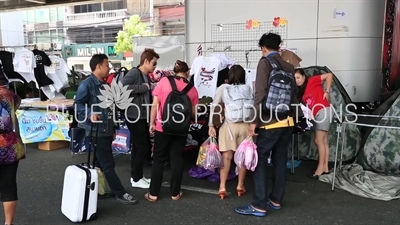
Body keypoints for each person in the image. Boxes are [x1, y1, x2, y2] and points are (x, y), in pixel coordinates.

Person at [235, 32, 300, 217]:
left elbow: (260, 94)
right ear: (279, 47)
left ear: (263, 48)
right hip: (287, 122)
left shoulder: (265, 63)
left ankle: (259, 205)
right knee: (280, 161)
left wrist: (253, 121)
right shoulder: (289, 65)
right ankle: (276, 200)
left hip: (268, 123)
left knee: (260, 161)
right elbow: (295, 95)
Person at [74, 54, 137, 205]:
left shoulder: (105, 84)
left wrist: (113, 128)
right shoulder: (87, 84)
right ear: (98, 66)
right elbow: (78, 105)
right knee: (107, 163)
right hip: (97, 131)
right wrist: (90, 114)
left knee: (98, 163)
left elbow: (110, 108)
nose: (109, 67)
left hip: (106, 129)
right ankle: (120, 193)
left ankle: (97, 190)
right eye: (107, 65)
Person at [145, 60, 199, 202]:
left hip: (162, 127)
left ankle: (153, 194)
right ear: (187, 72)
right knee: (177, 158)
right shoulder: (192, 89)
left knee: (158, 159)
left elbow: (155, 105)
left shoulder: (163, 82)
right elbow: (194, 114)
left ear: (174, 71)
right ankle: (175, 193)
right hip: (181, 129)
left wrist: (151, 123)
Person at [208, 65, 253, 199]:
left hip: (228, 126)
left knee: (226, 157)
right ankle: (240, 185)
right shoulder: (249, 88)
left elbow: (215, 106)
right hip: (245, 126)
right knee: (242, 158)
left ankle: (222, 187)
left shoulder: (223, 88)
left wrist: (211, 125)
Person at [121, 48, 159, 189]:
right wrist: (142, 88)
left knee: (138, 147)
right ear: (146, 61)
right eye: (154, 63)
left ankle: (137, 177)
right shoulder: (134, 73)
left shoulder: (145, 75)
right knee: (142, 147)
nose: (155, 66)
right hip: (133, 115)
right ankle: (136, 178)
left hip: (140, 115)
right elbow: (121, 87)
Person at [294, 68, 333, 178]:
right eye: (294, 79)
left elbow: (329, 75)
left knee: (318, 140)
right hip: (319, 113)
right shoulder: (301, 91)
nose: (296, 80)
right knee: (324, 141)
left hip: (323, 111)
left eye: (298, 77)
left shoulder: (312, 81)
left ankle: (320, 168)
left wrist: (327, 91)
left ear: (303, 76)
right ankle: (325, 167)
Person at [0, 76, 24, 225]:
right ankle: (9, 223)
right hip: (9, 145)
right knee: (8, 186)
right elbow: (17, 104)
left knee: (8, 186)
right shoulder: (8, 93)